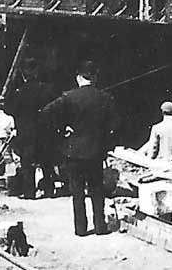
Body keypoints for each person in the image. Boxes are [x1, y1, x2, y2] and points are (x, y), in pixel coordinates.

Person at [41, 61, 119, 237]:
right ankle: (100, 226)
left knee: (77, 191)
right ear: (95, 77)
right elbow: (115, 124)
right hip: (96, 151)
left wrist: (62, 130)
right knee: (96, 189)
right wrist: (104, 141)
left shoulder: (68, 97)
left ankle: (81, 229)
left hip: (73, 151)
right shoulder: (105, 97)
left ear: (78, 78)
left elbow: (46, 112)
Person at [5, 58, 59, 199]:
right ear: (37, 72)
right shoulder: (48, 89)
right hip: (45, 132)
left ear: (24, 74)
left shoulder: (19, 92)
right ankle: (49, 189)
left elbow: (9, 109)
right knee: (47, 161)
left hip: (26, 133)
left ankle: (29, 192)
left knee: (27, 164)